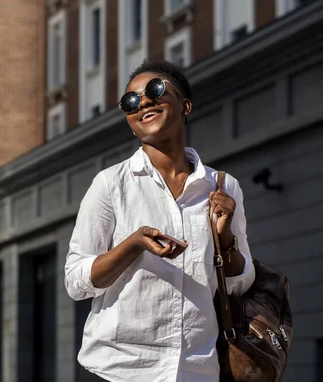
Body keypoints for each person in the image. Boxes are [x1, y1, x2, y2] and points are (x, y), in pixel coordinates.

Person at [64, 59, 256, 382]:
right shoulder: (111, 185)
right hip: (118, 370)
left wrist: (226, 241)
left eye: (154, 90)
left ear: (185, 105)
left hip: (195, 371)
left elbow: (240, 281)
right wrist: (134, 244)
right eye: (131, 101)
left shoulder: (223, 187)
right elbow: (75, 280)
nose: (143, 103)